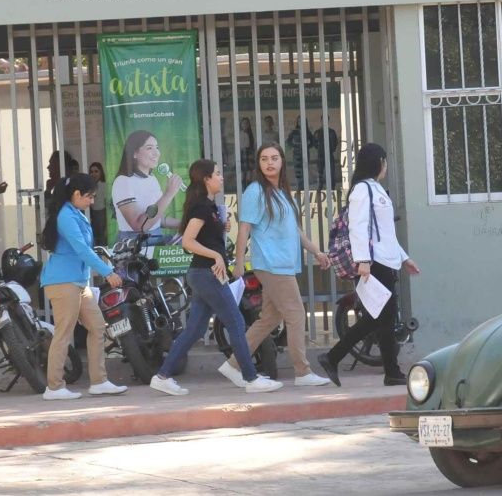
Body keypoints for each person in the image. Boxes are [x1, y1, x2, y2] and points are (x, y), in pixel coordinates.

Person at [150, 160, 284, 396]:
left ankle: (162, 375)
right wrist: (216, 256)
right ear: (206, 179)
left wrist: (221, 228)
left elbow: (202, 237)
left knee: (194, 330)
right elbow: (188, 242)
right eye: (218, 174)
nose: (222, 177)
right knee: (236, 322)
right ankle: (250, 378)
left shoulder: (210, 207)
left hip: (204, 275)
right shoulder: (201, 207)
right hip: (206, 273)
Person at [222, 143, 333, 387]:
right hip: (270, 264)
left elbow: (295, 231)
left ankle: (233, 364)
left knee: (269, 319)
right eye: (264, 159)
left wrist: (317, 252)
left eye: (274, 158)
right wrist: (239, 264)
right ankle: (302, 372)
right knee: (296, 314)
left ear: (282, 161)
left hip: (283, 264)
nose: (269, 163)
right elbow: (244, 230)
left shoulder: (280, 192)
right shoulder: (255, 191)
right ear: (258, 164)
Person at [318, 143, 420, 387]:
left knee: (383, 320)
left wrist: (404, 258)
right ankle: (333, 357)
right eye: (384, 161)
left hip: (386, 261)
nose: (385, 165)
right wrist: (362, 260)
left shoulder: (376, 189)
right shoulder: (362, 190)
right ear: (378, 162)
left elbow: (386, 233)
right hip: (373, 264)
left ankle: (390, 372)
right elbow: (358, 226)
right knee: (378, 318)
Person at [38, 172, 129, 400]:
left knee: (98, 327)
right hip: (63, 283)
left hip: (78, 283)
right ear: (76, 194)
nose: (91, 201)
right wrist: (108, 272)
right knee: (64, 332)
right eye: (89, 197)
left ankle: (99, 381)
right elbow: (82, 250)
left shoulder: (74, 214)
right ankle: (54, 387)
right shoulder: (66, 217)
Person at [112, 130, 182, 244]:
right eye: (149, 148)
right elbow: (140, 226)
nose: (156, 153)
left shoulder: (152, 178)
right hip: (135, 247)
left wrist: (186, 223)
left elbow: (156, 219)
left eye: (157, 147)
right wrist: (168, 194)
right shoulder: (123, 182)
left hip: (155, 240)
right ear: (134, 153)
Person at [88, 162, 109, 246]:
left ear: (101, 172)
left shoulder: (104, 185)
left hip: (102, 214)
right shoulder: (90, 186)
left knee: (102, 239)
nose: (93, 174)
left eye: (96, 171)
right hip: (92, 214)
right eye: (91, 171)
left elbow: (107, 204)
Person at [313, 123, 340, 188]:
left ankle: (332, 187)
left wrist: (332, 149)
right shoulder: (318, 132)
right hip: (321, 154)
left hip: (329, 153)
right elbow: (314, 142)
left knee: (331, 171)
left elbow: (335, 142)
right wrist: (319, 148)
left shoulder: (331, 132)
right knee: (320, 172)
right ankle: (320, 187)